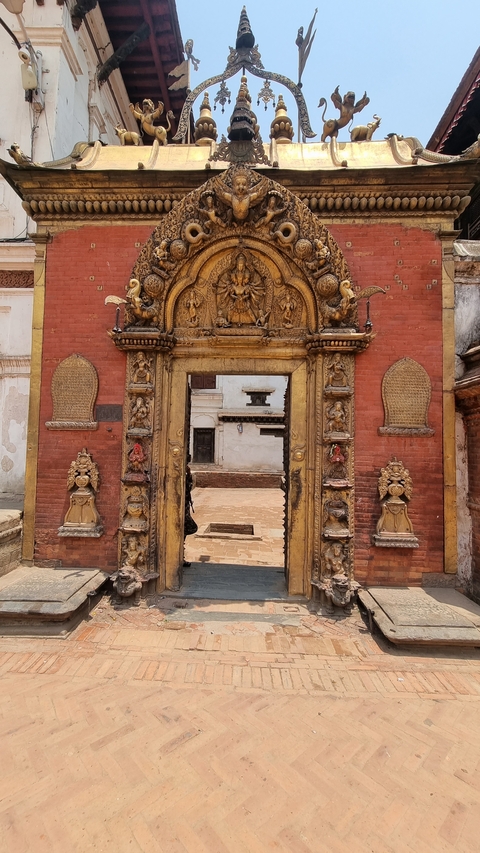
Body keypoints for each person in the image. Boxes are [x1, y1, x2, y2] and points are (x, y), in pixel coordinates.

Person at [183, 457, 198, 566]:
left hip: (185, 506)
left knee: (185, 530)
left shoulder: (186, 474)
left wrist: (188, 475)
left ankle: (180, 557)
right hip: (178, 508)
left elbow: (189, 487)